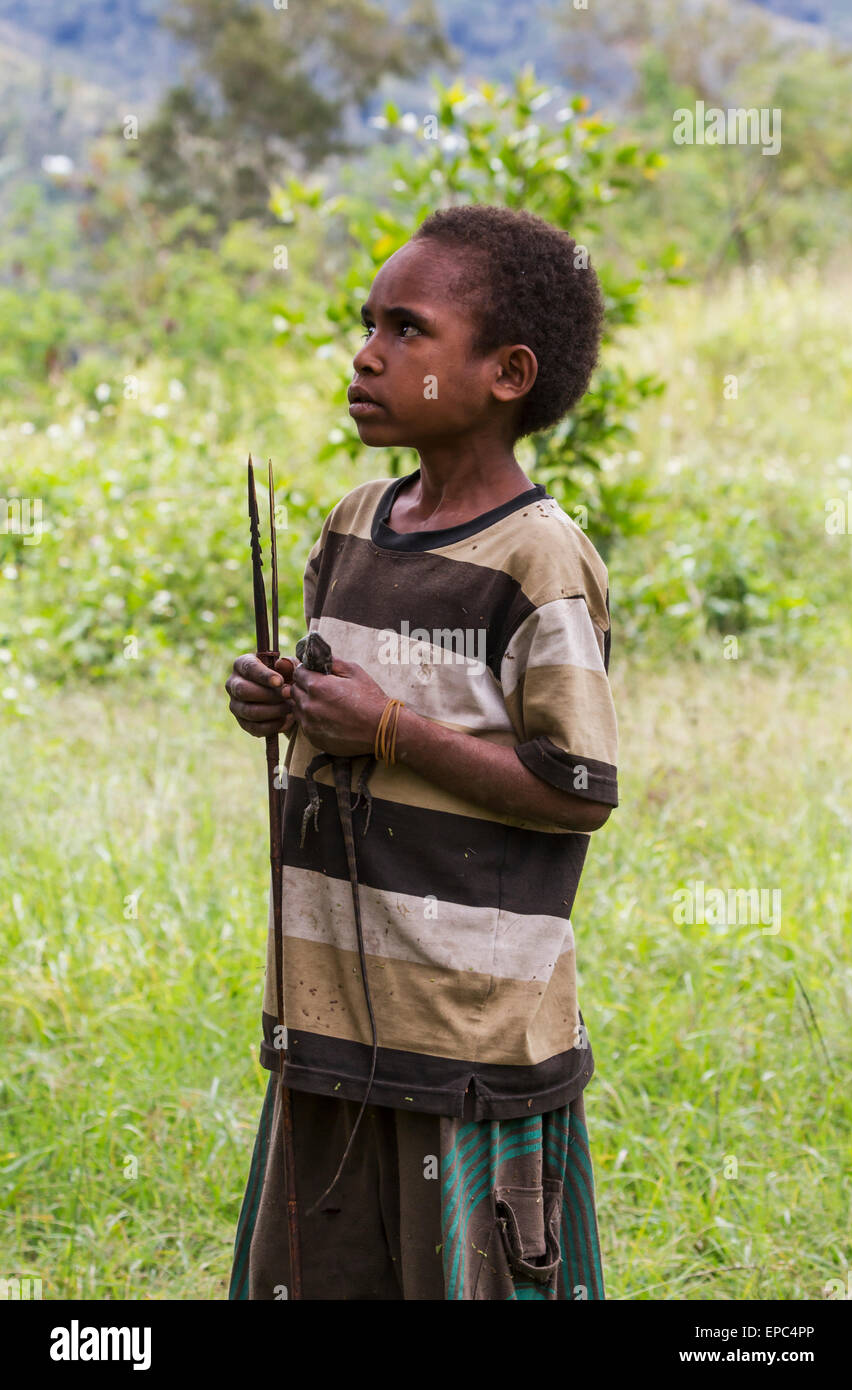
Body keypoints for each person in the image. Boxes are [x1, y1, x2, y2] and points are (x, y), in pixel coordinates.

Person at [225, 203, 619, 1300]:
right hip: (332, 1024)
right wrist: (275, 699)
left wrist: (390, 728)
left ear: (506, 373)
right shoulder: (353, 523)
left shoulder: (538, 562)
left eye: (407, 330)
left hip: (470, 1039)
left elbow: (578, 788)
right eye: (368, 325)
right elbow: (332, 705)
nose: (366, 354)